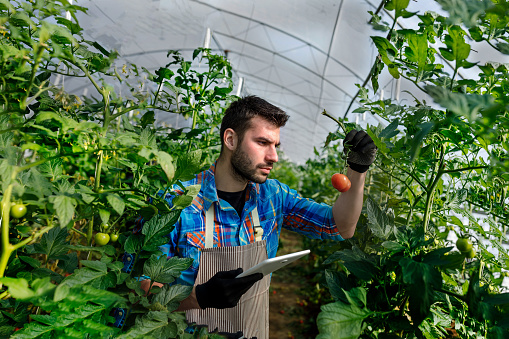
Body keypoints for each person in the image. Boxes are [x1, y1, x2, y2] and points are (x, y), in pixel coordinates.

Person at [152, 96, 376, 338]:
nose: (274, 157)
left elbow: (340, 227)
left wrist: (357, 170)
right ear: (230, 139)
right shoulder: (176, 203)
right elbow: (139, 291)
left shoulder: (273, 197)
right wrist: (199, 297)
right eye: (262, 143)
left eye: (275, 146)